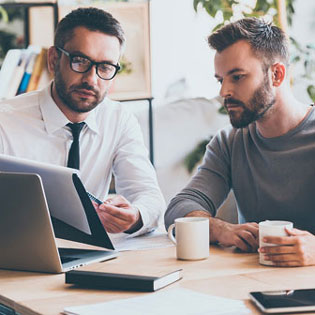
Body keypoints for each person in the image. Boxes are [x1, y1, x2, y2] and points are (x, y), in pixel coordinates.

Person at [0, 7, 165, 236]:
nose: (91, 79)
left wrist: (135, 215)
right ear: (53, 59)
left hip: (93, 258)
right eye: (80, 61)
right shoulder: (4, 122)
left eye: (105, 67)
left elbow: (150, 196)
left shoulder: (119, 120)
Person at [165, 17, 315, 267]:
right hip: (251, 285)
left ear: (276, 75)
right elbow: (179, 208)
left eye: (237, 77)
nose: (224, 91)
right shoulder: (229, 142)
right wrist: (220, 229)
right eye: (220, 79)